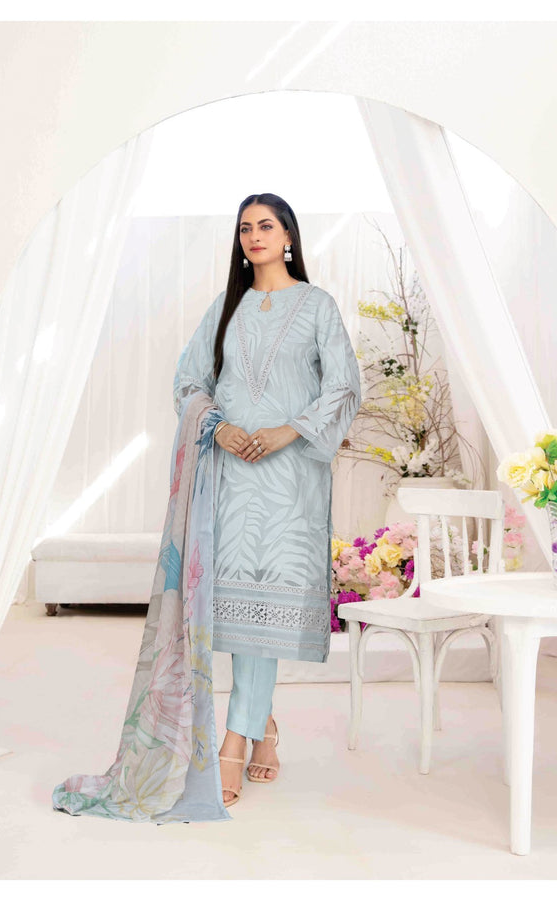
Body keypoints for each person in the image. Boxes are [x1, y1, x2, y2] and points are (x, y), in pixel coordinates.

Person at [172, 192, 362, 807]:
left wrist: (290, 430)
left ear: (289, 236)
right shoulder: (225, 309)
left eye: (267, 225)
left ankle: (234, 739)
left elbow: (343, 385)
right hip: (231, 478)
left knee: (265, 615)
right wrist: (219, 426)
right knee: (242, 616)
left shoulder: (317, 307)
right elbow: (188, 381)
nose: (255, 235)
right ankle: (263, 728)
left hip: (290, 481)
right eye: (245, 227)